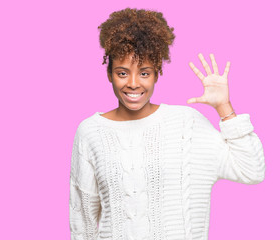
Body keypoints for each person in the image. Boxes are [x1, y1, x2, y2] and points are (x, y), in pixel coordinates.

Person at [69, 7, 265, 240]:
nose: (133, 83)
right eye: (122, 73)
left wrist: (224, 107)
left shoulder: (187, 125)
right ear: (109, 74)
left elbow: (251, 170)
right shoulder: (90, 131)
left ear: (157, 74)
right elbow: (83, 222)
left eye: (144, 73)